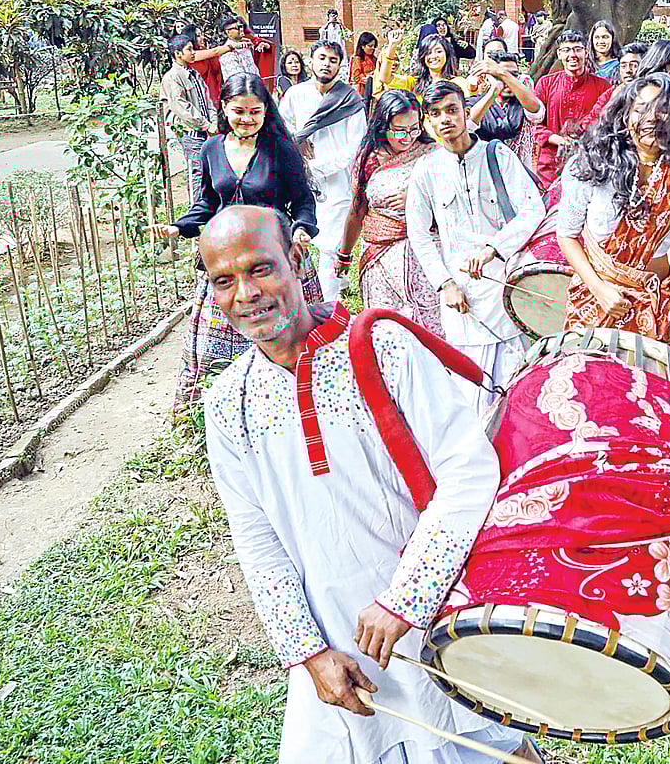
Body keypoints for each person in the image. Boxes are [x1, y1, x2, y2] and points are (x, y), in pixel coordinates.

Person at [200, 204, 541, 764]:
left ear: (297, 258)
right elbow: (258, 542)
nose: (245, 294)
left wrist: (407, 598)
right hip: (340, 647)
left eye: (260, 269)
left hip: (437, 619)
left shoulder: (383, 348)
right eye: (224, 280)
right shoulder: (227, 404)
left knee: (485, 744)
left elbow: (469, 470)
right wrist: (307, 653)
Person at [555, 70, 670, 452]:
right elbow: (567, 236)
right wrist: (601, 289)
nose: (651, 119)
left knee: (650, 408)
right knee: (593, 403)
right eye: (641, 109)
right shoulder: (590, 167)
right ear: (624, 114)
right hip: (596, 303)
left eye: (663, 110)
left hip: (659, 309)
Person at [147, 74, 322, 416]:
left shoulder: (280, 149)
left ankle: (297, 405)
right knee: (217, 343)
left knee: (288, 335)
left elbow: (303, 201)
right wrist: (178, 228)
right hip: (227, 260)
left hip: (272, 256)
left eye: (255, 111)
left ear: (265, 111)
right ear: (224, 108)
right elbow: (207, 204)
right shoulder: (212, 149)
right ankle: (220, 413)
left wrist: (302, 229)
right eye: (238, 111)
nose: (246, 119)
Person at [406, 81, 546, 412]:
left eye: (452, 111)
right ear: (428, 121)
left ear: (466, 114)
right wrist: (445, 284)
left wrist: (494, 248)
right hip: (461, 297)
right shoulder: (427, 170)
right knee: (473, 394)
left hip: (506, 285)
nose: (445, 120)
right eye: (436, 114)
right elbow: (419, 234)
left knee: (518, 387)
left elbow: (532, 209)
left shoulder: (497, 155)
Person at [339, 90, 441, 335]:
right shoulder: (369, 159)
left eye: (414, 129)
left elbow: (453, 201)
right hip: (379, 256)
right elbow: (357, 209)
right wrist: (345, 253)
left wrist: (417, 196)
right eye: (399, 130)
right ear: (382, 125)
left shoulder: (432, 154)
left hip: (424, 255)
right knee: (386, 328)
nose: (408, 138)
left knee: (428, 324)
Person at [280, 41, 368, 303]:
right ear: (311, 61)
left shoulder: (349, 99)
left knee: (330, 244)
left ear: (339, 66)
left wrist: (318, 165)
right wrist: (296, 140)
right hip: (301, 182)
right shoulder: (296, 95)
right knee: (302, 237)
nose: (326, 64)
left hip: (338, 182)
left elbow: (357, 145)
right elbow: (281, 127)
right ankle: (314, 292)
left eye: (332, 60)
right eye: (322, 58)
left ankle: (327, 307)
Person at [532, 30, 610, 185]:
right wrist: (558, 140)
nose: (572, 55)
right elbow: (535, 125)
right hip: (550, 165)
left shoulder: (603, 86)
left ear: (586, 52)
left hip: (589, 162)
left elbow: (606, 125)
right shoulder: (546, 84)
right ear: (559, 54)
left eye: (577, 49)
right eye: (566, 50)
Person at [161, 34, 220, 208]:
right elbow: (182, 108)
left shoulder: (193, 73)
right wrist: (206, 124)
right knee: (197, 171)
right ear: (178, 54)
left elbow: (207, 100)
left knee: (209, 170)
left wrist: (213, 121)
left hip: (205, 130)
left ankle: (208, 207)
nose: (193, 53)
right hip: (190, 132)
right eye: (189, 50)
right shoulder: (172, 77)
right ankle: (197, 210)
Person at [468, 51, 544, 172]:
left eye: (514, 75)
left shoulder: (524, 102)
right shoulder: (475, 103)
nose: (508, 81)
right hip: (484, 174)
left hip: (519, 175)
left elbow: (537, 113)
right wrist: (494, 90)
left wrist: (502, 73)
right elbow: (467, 126)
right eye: (499, 76)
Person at [378, 31, 470, 102]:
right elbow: (385, 78)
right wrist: (392, 46)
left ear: (447, 54)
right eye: (428, 53)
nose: (433, 56)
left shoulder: (458, 83)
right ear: (423, 57)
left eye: (438, 51)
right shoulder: (415, 83)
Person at [348, 31, 378, 100]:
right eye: (370, 46)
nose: (373, 48)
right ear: (362, 46)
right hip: (361, 93)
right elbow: (356, 77)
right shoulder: (357, 59)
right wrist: (367, 77)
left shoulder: (374, 59)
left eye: (374, 46)